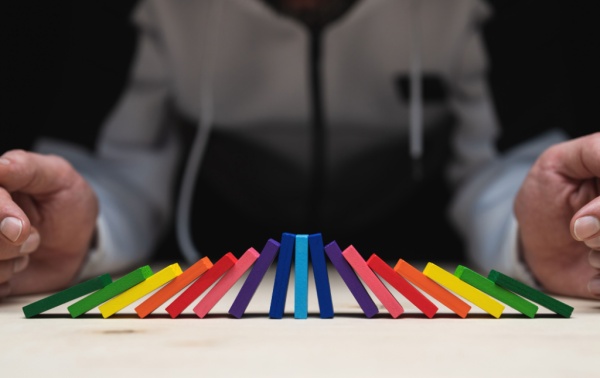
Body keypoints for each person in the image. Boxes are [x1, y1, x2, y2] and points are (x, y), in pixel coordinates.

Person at [0, 0, 598, 300]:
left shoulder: (481, 10)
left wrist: (539, 240)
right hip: (211, 250)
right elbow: (115, 167)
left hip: (417, 250)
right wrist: (73, 234)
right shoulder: (149, 10)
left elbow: (507, 167)